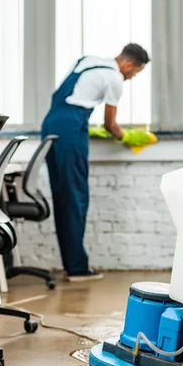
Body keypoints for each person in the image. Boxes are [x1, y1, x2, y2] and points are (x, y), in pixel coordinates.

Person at [41, 43, 150, 282]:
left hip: (50, 123)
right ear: (129, 64)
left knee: (62, 194)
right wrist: (131, 137)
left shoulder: (87, 60)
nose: (131, 77)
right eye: (135, 73)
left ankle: (73, 264)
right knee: (76, 196)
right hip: (71, 127)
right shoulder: (115, 79)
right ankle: (78, 269)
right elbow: (111, 125)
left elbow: (72, 96)